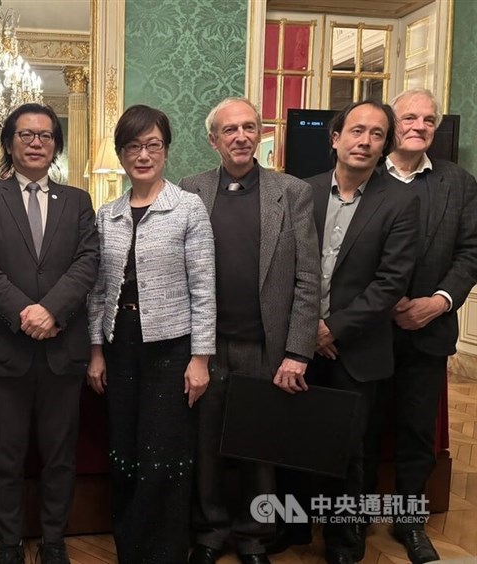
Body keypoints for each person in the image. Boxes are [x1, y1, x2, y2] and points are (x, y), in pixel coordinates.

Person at [180, 97, 320, 564]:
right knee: (207, 448)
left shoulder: (293, 192)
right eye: (229, 130)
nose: (241, 136)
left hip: (267, 347)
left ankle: (255, 538)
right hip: (205, 345)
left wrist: (298, 351)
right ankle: (209, 534)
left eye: (249, 127)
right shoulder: (190, 190)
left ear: (260, 133)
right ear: (213, 139)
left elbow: (307, 279)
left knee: (261, 449)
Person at [0, 103, 99, 564]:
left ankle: (54, 540)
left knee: (60, 456)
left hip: (63, 350)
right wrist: (25, 312)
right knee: (6, 456)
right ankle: (8, 543)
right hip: (6, 351)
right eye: (26, 135)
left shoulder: (78, 200)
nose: (36, 142)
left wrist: (51, 311)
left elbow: (88, 263)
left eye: (45, 135)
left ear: (56, 144)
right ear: (9, 143)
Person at [86, 105, 215, 563]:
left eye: (153, 145)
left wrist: (200, 359)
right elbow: (98, 291)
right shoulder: (108, 214)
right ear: (122, 154)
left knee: (164, 453)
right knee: (125, 451)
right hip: (120, 347)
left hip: (171, 348)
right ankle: (129, 546)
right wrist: (96, 351)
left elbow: (204, 288)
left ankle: (162, 552)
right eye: (133, 146)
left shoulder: (187, 207)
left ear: (166, 150)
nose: (143, 155)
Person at [297, 100, 420, 564]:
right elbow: (285, 269)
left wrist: (330, 330)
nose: (364, 141)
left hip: (357, 351)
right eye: (356, 131)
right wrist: (306, 330)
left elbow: (392, 283)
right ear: (335, 138)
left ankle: (346, 544)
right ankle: (292, 530)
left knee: (352, 455)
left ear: (384, 145)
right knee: (297, 442)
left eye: (376, 134)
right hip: (301, 347)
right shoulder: (301, 192)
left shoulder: (402, 201)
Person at [363, 88, 477, 564]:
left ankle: (411, 522)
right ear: (393, 122)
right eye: (409, 117)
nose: (419, 126)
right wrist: (381, 304)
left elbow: (470, 252)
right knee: (363, 431)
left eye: (428, 120)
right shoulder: (363, 176)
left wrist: (439, 301)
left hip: (429, 331)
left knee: (415, 434)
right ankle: (356, 519)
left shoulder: (460, 183)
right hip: (368, 333)